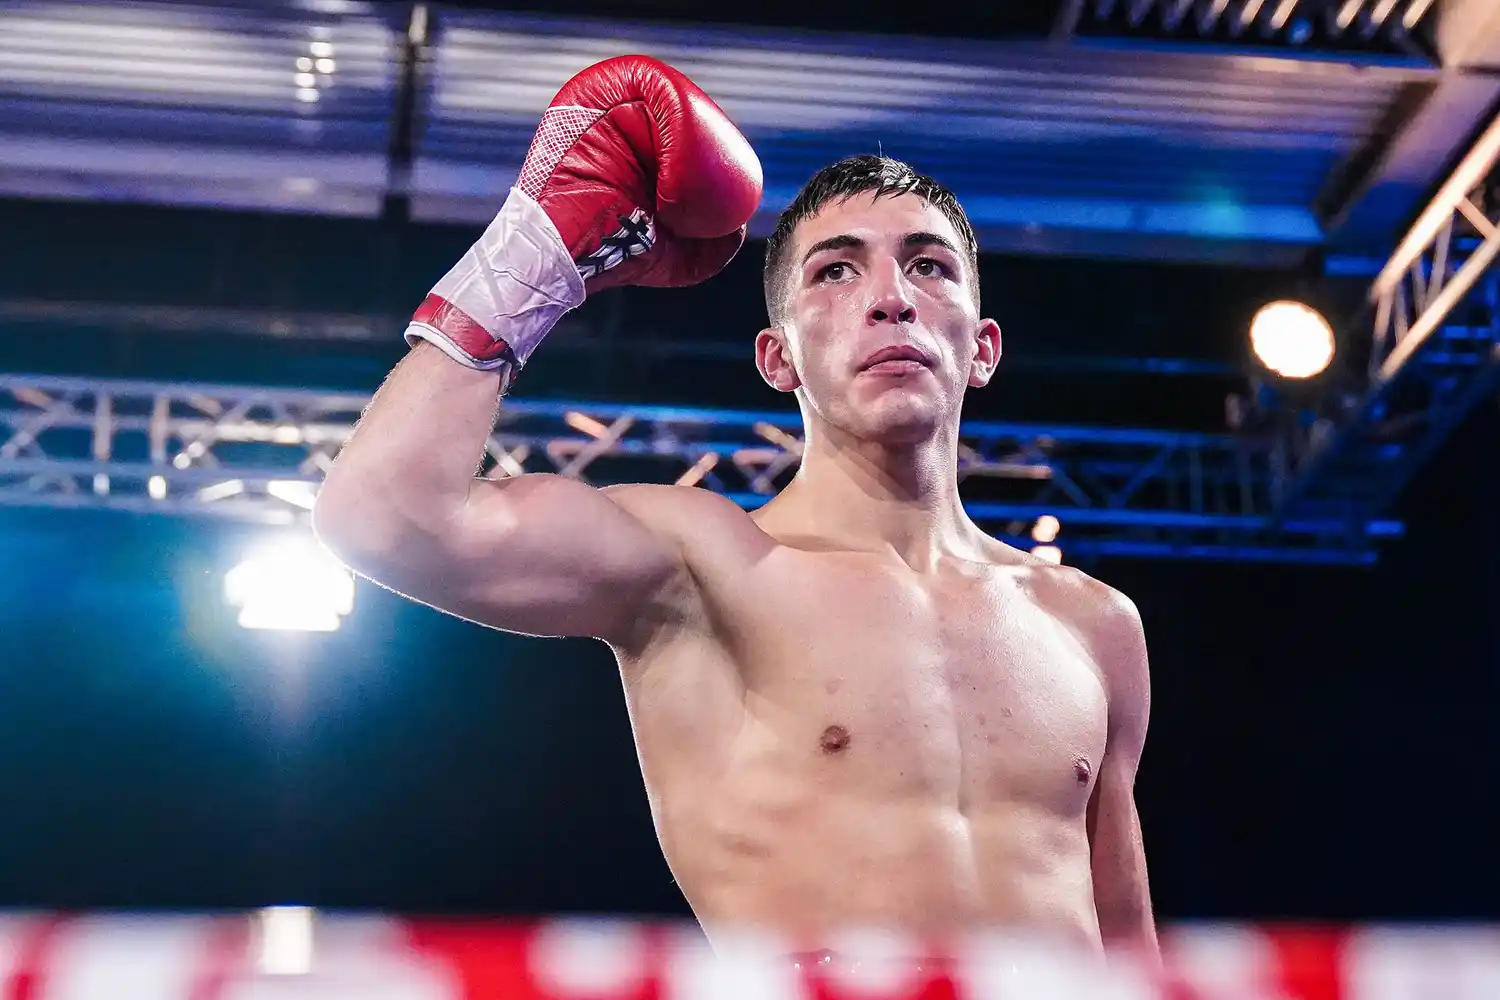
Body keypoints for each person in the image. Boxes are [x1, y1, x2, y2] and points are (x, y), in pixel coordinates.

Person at [313, 54, 1157, 962]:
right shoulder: (701, 567)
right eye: (836, 272)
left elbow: (1133, 948)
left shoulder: (1094, 624)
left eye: (928, 267)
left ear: (982, 347)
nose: (891, 300)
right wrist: (536, 254)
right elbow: (381, 516)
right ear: (777, 358)